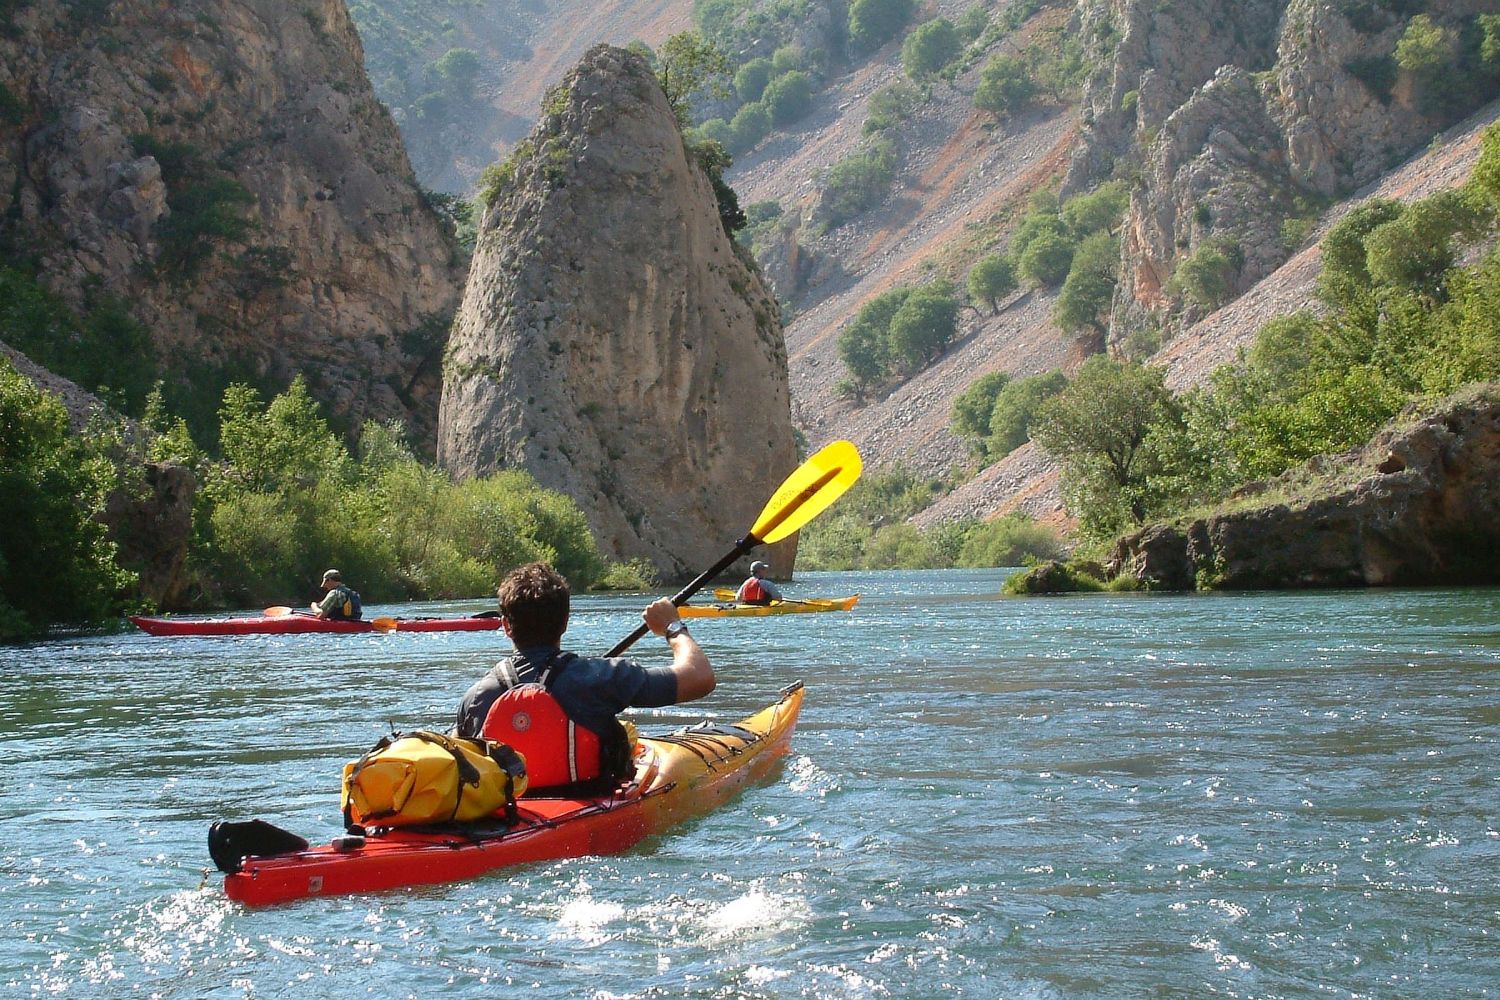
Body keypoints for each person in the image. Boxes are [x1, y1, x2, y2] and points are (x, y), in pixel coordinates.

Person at [454, 562, 715, 792]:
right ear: (565, 621)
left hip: (505, 823)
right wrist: (672, 627)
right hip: (590, 809)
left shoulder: (476, 696)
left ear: (506, 626)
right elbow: (700, 678)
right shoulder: (600, 677)